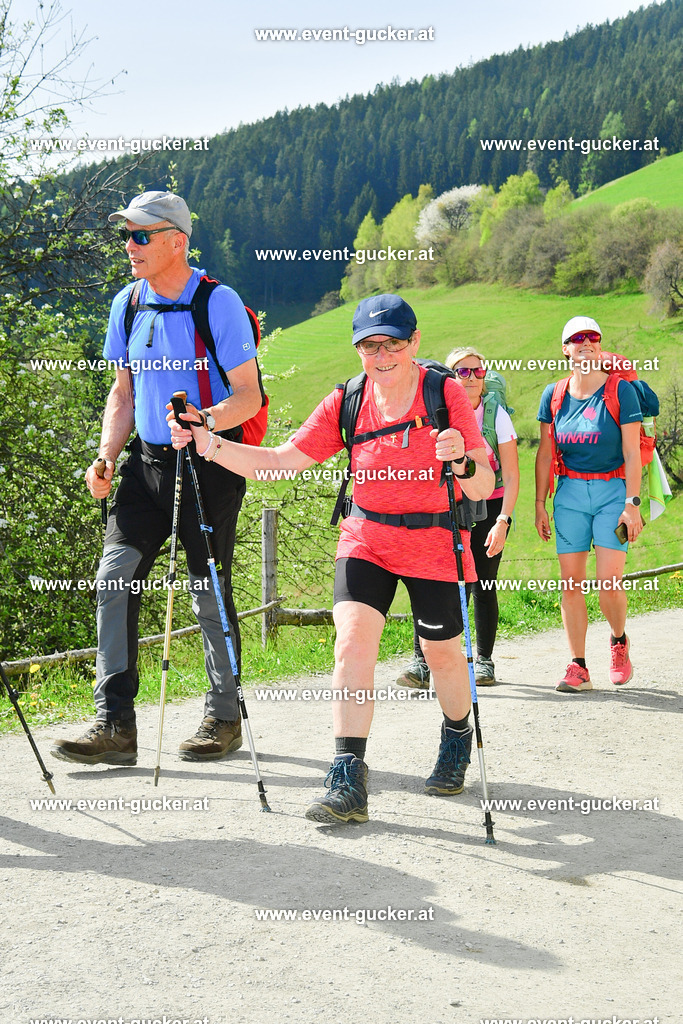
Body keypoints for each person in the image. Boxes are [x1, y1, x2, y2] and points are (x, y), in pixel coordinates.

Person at [169, 294, 495, 825]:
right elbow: (279, 463)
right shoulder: (348, 399)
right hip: (366, 536)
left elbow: (483, 482)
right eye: (369, 346)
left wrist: (460, 460)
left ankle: (457, 732)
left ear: (414, 342)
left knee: (441, 654)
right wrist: (208, 444)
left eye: (392, 344)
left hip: (434, 539)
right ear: (358, 349)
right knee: (352, 643)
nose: (381, 355)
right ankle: (347, 777)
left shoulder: (444, 393)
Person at [52, 191, 263, 766]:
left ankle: (224, 717)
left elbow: (249, 395)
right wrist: (105, 456)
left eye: (141, 235)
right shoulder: (126, 303)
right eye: (127, 235)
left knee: (206, 592)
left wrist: (205, 421)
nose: (130, 245)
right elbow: (122, 394)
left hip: (209, 463)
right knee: (113, 579)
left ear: (177, 241)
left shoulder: (217, 302)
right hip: (145, 466)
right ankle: (115, 725)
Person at [396, 347, 519, 688]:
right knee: (432, 581)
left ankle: (484, 661)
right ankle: (422, 662)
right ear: (450, 378)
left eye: (478, 371)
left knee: (484, 583)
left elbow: (511, 475)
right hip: (445, 505)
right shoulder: (438, 412)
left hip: (489, 505)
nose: (472, 378)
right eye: (463, 372)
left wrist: (503, 521)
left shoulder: (496, 416)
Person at [534, 316, 644, 693]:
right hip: (569, 495)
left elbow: (632, 453)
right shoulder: (554, 395)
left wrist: (632, 504)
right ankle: (578, 665)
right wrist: (539, 503)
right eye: (576, 338)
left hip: (614, 492)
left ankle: (618, 640)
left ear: (599, 345)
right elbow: (544, 453)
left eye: (592, 337)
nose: (585, 342)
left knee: (609, 582)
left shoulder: (620, 391)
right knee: (570, 584)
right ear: (565, 349)